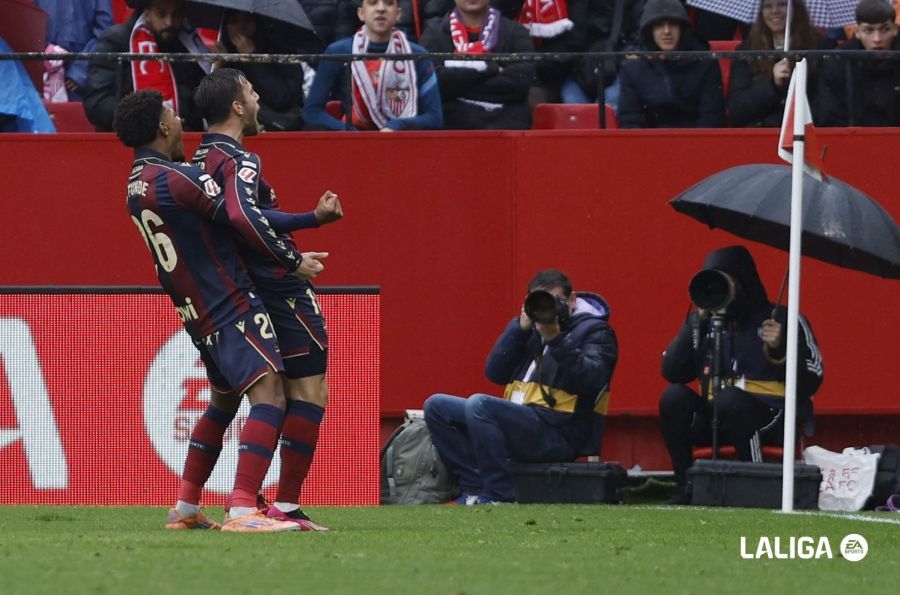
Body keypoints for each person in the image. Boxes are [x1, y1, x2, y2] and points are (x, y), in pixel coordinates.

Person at [114, 89, 303, 532]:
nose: (182, 122)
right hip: (227, 302)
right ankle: (242, 509)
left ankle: (184, 507)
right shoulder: (181, 178)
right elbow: (244, 216)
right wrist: (309, 220)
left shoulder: (136, 183)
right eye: (174, 115)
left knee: (222, 402)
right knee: (270, 393)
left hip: (194, 314)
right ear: (162, 127)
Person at [193, 68, 342, 530]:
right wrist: (292, 259)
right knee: (307, 390)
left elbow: (248, 214)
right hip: (279, 287)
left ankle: (239, 500)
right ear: (238, 107)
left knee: (259, 395)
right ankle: (278, 504)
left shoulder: (201, 159)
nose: (258, 100)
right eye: (252, 92)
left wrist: (307, 218)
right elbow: (244, 215)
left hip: (236, 289)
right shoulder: (242, 158)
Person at [424, 269, 618, 504]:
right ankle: (474, 488)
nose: (549, 310)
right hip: (521, 423)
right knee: (436, 406)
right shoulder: (530, 329)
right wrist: (519, 328)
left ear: (572, 300)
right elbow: (494, 373)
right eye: (540, 302)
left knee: (480, 405)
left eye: (554, 302)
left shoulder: (596, 331)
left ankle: (501, 496)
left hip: (559, 433)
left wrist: (556, 340)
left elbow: (593, 378)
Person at [659, 246, 824, 505]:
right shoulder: (706, 323)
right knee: (673, 398)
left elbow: (813, 379)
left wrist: (781, 348)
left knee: (730, 400)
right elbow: (672, 372)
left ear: (743, 282)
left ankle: (756, 487)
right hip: (718, 419)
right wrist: (696, 325)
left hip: (771, 418)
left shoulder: (781, 319)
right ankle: (687, 487)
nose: (718, 289)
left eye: (723, 282)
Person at [303, 0, 443, 131]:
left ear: (398, 14)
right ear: (361, 13)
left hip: (402, 142)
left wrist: (399, 125)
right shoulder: (338, 52)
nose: (381, 8)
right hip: (353, 145)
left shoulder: (417, 55)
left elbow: (435, 117)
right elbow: (311, 112)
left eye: (388, 3)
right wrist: (348, 131)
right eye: (372, 2)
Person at [83, 0, 211, 132]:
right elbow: (96, 103)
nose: (169, 22)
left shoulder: (190, 47)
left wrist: (219, 66)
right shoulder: (115, 41)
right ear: (146, 12)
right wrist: (145, 119)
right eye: (161, 14)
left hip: (183, 139)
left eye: (177, 14)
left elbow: (204, 104)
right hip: (127, 140)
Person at [419, 0, 535, 129]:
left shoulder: (516, 31)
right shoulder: (434, 33)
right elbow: (434, 80)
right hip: (453, 122)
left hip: (507, 121)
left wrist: (458, 84)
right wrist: (490, 68)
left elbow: (522, 79)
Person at [616, 0, 725, 128]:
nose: (666, 31)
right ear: (649, 30)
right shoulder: (632, 66)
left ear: (682, 28)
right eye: (659, 25)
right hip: (649, 143)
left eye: (672, 24)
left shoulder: (706, 62)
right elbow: (630, 120)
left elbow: (711, 119)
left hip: (695, 142)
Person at [727, 0, 833, 128]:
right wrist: (772, 85)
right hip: (761, 133)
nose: (774, 11)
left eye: (782, 4)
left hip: (806, 132)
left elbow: (827, 105)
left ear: (796, 9)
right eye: (767, 6)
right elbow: (737, 110)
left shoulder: (821, 47)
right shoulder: (746, 51)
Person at [213, 10, 306, 131]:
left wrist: (253, 57)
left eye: (247, 20)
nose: (242, 26)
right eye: (234, 21)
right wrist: (217, 67)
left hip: (276, 126)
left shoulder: (280, 50)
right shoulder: (222, 56)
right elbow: (210, 105)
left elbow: (281, 98)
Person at [817, 0, 900, 127]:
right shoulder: (839, 61)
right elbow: (829, 114)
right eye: (868, 30)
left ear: (895, 30)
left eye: (885, 29)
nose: (877, 39)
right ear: (857, 32)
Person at [559, 0, 647, 108]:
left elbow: (640, 37)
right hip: (580, 71)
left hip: (619, 69)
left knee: (608, 105)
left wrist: (619, 57)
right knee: (572, 106)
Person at [33, 0, 114, 102]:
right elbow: (25, 23)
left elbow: (104, 33)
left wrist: (80, 72)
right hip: (41, 74)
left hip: (82, 82)